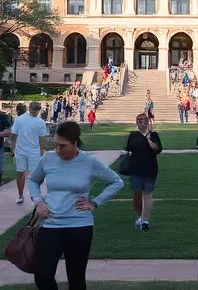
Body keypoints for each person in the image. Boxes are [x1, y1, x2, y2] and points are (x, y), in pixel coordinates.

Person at [29, 121, 123, 290]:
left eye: (62, 146)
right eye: (56, 145)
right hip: (50, 224)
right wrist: (39, 201)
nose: (58, 150)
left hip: (79, 226)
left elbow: (116, 182)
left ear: (74, 142)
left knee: (76, 278)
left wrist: (95, 202)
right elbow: (33, 180)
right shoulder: (48, 158)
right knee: (42, 275)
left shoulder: (89, 162)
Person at [125, 113, 162, 231]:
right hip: (135, 169)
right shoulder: (133, 135)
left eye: (145, 120)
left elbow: (157, 149)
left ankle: (145, 220)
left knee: (147, 194)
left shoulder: (153, 135)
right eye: (140, 120)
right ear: (137, 122)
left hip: (150, 168)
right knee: (137, 194)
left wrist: (148, 139)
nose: (143, 122)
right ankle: (139, 216)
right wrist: (143, 138)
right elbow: (130, 147)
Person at [12, 102, 49, 206]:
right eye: (33, 110)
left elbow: (42, 138)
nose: (34, 112)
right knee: (21, 173)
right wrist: (13, 148)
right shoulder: (20, 120)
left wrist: (41, 150)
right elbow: (14, 134)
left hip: (33, 151)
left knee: (33, 175)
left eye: (35, 110)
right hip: (22, 151)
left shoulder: (40, 122)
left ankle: (33, 194)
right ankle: (21, 195)